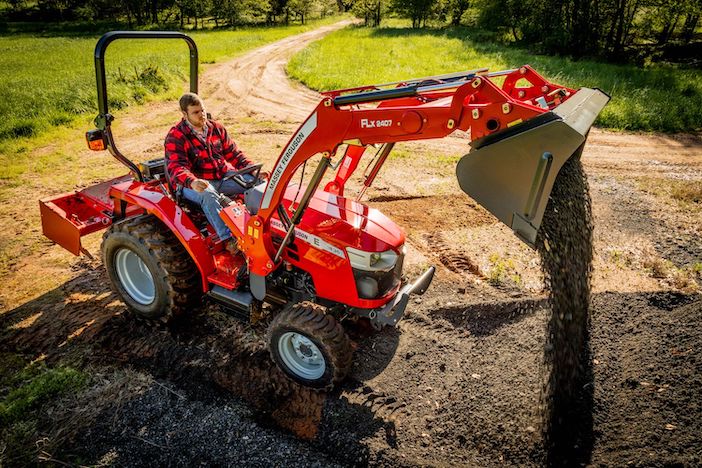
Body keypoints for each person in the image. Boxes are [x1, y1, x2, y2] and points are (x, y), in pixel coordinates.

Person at [165, 92, 256, 252]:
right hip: (192, 185)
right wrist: (192, 181)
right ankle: (229, 240)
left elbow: (234, 154)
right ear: (185, 114)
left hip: (221, 176)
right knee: (208, 193)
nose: (201, 115)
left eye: (202, 110)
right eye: (196, 112)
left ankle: (263, 223)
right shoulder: (176, 136)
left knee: (255, 183)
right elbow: (176, 167)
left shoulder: (216, 128)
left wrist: (253, 169)